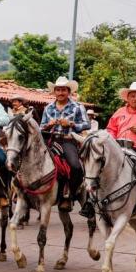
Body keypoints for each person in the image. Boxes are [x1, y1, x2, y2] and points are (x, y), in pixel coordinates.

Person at [40, 76, 90, 213]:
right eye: (58, 90)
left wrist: (71, 124)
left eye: (63, 90)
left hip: (68, 140)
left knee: (75, 166)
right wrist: (47, 126)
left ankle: (69, 196)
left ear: (69, 92)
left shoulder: (77, 107)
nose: (60, 93)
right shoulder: (48, 108)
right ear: (54, 92)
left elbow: (87, 124)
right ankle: (25, 192)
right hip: (50, 140)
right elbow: (40, 127)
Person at [107, 82, 136, 168]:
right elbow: (110, 129)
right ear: (128, 98)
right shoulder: (119, 111)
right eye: (132, 96)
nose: (135, 99)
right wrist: (112, 141)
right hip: (119, 149)